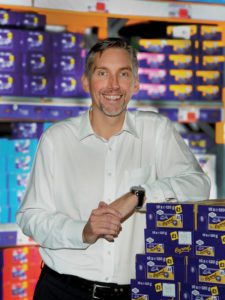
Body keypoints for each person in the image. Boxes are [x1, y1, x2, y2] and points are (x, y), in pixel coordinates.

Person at [16, 37, 210, 300]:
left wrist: (139, 196)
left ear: (136, 83)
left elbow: (198, 184)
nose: (114, 85)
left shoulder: (156, 131)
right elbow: (31, 217)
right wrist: (83, 230)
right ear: (86, 81)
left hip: (134, 292)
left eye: (124, 74)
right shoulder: (57, 139)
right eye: (103, 73)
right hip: (63, 291)